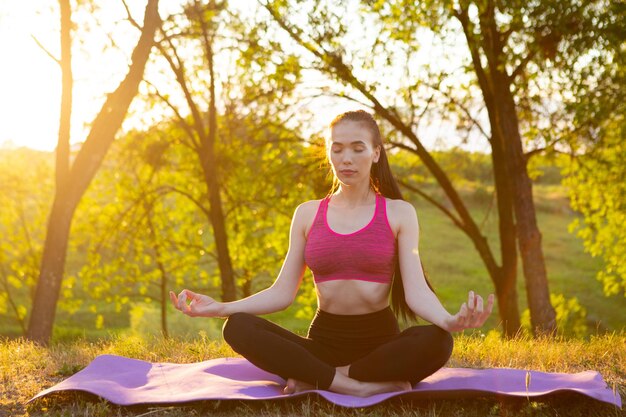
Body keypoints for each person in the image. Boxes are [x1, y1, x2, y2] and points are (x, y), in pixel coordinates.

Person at [170, 110, 494, 397]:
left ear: (376, 153)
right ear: (329, 155)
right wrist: (220, 308)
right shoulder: (308, 214)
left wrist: (449, 320)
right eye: (336, 149)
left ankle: (318, 380)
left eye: (357, 148)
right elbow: (283, 293)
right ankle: (357, 386)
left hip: (380, 346)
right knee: (237, 326)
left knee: (439, 341)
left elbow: (416, 292)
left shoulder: (399, 213)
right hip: (322, 345)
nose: (346, 158)